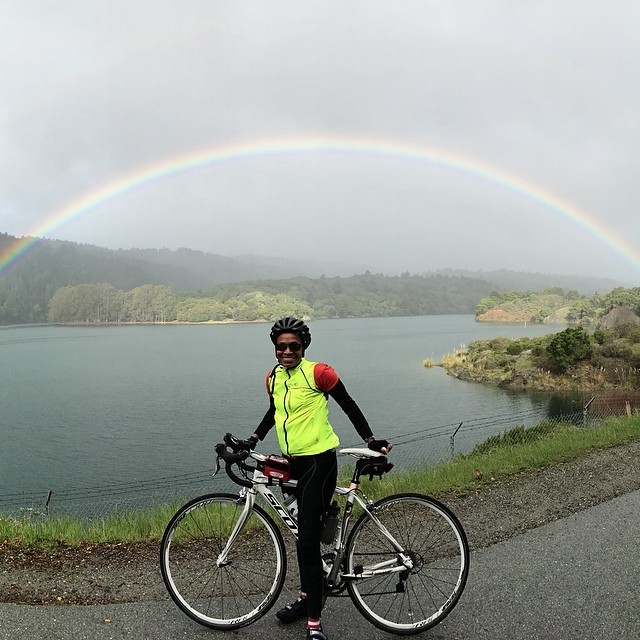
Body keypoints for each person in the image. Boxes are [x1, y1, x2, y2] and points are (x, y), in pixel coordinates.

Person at [244, 317, 392, 640]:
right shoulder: (273, 378)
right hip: (293, 463)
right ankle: (309, 594)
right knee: (302, 537)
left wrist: (370, 440)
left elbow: (348, 404)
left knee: (307, 543)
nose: (286, 351)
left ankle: (313, 620)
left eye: (293, 346)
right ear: (275, 347)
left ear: (303, 346)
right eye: (281, 346)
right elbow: (275, 412)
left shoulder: (318, 373)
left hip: (319, 464)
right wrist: (253, 438)